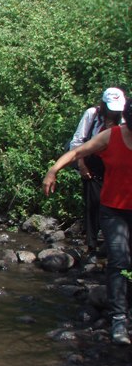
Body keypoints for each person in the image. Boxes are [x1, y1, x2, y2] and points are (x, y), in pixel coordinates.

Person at [43, 98, 132, 345]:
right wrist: (53, 171)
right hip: (114, 210)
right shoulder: (111, 136)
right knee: (119, 260)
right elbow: (77, 151)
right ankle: (119, 319)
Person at [68, 87, 126, 254]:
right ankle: (92, 245)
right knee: (93, 204)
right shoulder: (92, 114)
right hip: (91, 162)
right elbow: (78, 141)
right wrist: (82, 165)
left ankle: (112, 243)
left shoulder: (124, 119)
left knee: (114, 204)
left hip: (113, 165)